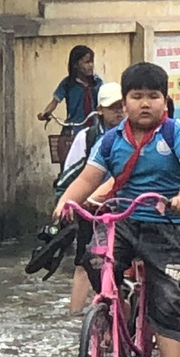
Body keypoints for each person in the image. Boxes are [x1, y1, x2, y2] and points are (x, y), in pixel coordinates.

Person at [54, 61, 180, 357]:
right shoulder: (111, 140)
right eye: (137, 96)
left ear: (165, 102)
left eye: (153, 96)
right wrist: (65, 203)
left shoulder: (176, 132)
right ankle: (113, 312)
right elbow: (89, 177)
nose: (145, 103)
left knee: (167, 302)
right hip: (124, 222)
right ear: (124, 103)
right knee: (93, 260)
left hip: (169, 227)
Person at [54, 83, 125, 315]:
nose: (119, 111)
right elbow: (71, 175)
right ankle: (76, 317)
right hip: (93, 211)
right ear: (100, 110)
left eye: (121, 106)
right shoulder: (87, 138)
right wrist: (66, 203)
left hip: (125, 208)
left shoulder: (133, 136)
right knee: (85, 262)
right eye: (112, 107)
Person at [39, 45, 102, 132]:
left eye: (92, 62)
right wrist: (45, 113)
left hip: (93, 128)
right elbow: (54, 102)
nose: (91, 65)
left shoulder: (97, 82)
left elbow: (104, 101)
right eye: (87, 62)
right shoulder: (68, 84)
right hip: (73, 127)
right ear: (75, 64)